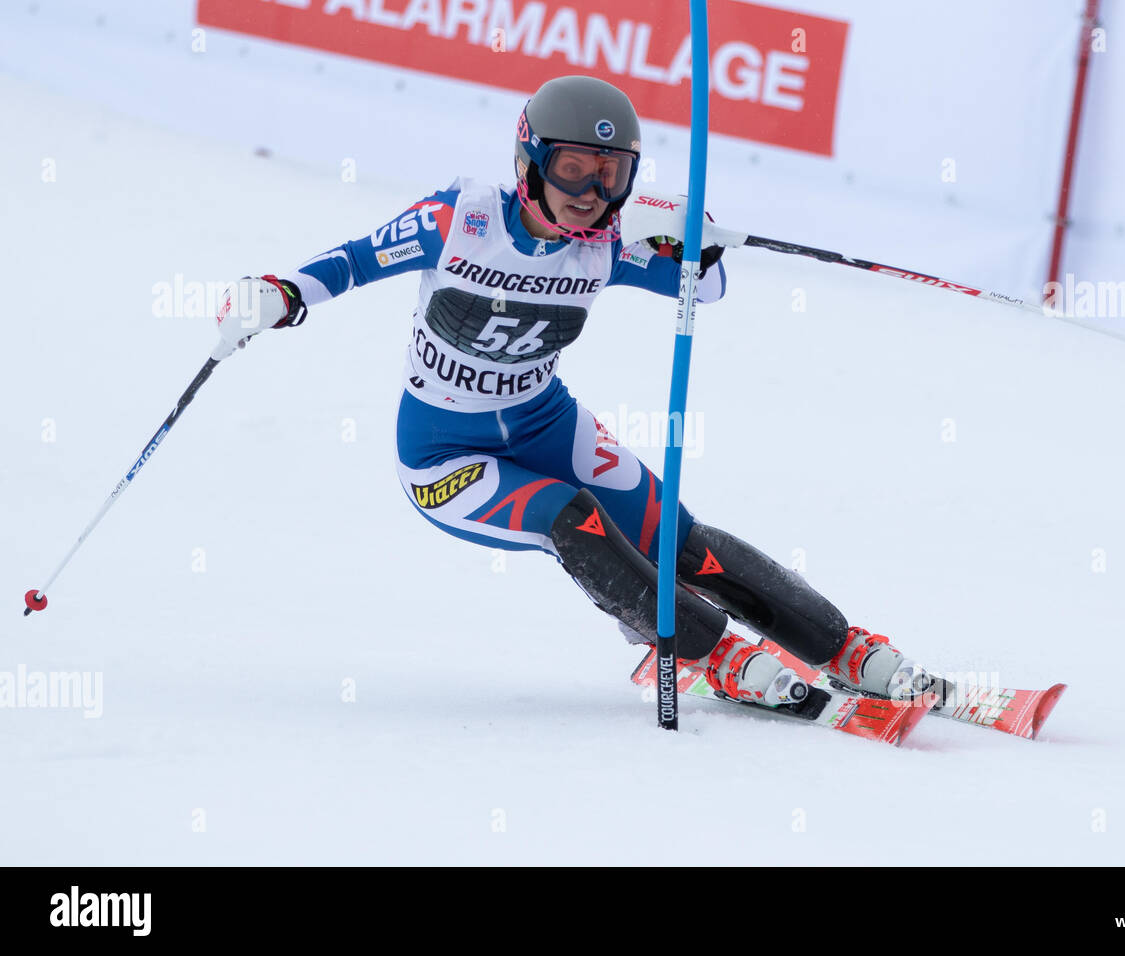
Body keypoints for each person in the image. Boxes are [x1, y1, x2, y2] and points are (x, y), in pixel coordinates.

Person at [215, 75, 933, 708]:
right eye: (573, 170)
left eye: (612, 175)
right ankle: (711, 654)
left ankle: (845, 649)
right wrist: (280, 293)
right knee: (569, 516)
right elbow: (355, 261)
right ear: (529, 163)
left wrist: (693, 238)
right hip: (444, 458)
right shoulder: (460, 220)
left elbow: (705, 286)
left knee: (677, 538)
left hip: (548, 423)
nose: (593, 196)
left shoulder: (611, 241)